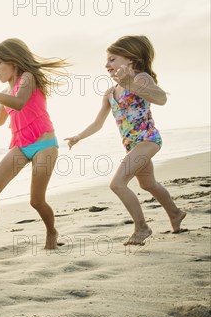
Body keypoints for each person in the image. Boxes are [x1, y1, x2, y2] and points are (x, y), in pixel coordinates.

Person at [64, 36, 186, 245]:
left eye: (112, 59)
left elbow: (161, 98)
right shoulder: (110, 93)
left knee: (118, 184)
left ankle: (142, 228)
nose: (107, 64)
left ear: (130, 60)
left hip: (148, 139)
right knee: (148, 184)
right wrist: (78, 136)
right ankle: (175, 213)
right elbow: (98, 123)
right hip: (131, 144)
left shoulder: (141, 78)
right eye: (107, 60)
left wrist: (129, 83)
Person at [0, 38, 69, 255]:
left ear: (14, 61)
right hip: (21, 146)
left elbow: (19, 103)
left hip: (45, 144)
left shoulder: (28, 78)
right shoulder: (6, 91)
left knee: (36, 201)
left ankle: (51, 231)